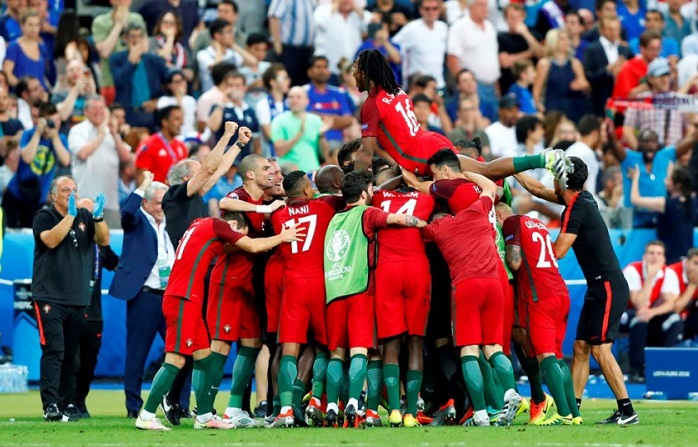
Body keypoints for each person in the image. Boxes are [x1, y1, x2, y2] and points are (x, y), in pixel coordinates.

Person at [134, 212, 301, 431]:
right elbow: (251, 246)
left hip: (188, 298)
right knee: (175, 360)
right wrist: (282, 237)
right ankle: (146, 414)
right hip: (182, 298)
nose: (235, 238)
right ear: (232, 224)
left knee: (204, 358)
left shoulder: (197, 223)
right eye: (237, 233)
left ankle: (204, 416)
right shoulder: (218, 226)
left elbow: (225, 245)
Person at [514, 156, 639, 425]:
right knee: (581, 347)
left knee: (600, 351)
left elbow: (558, 251)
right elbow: (537, 190)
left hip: (607, 285)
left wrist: (530, 240)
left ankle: (627, 410)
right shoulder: (581, 199)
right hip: (600, 285)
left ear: (562, 181)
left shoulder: (576, 208)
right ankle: (573, 410)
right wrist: (514, 171)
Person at [350, 49, 571, 179]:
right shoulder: (396, 89)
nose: (352, 74)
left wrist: (352, 184)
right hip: (430, 140)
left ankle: (545, 158)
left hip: (420, 155)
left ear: (365, 73)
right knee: (481, 171)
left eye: (355, 69)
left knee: (485, 171)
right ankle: (543, 159)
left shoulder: (371, 104)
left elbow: (365, 152)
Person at [322, 170, 427, 429]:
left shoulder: (334, 219)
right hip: (360, 290)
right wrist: (421, 223)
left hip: (334, 291)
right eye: (370, 189)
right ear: (363, 193)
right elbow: (397, 218)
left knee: (337, 354)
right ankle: (356, 403)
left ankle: (333, 404)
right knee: (361, 350)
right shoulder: (367, 213)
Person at [422, 171, 522, 427]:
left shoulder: (436, 230)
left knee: (469, 350)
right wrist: (464, 172)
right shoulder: (476, 211)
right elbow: (490, 187)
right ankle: (510, 393)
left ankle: (480, 414)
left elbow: (414, 223)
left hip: (466, 287)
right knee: (494, 348)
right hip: (494, 284)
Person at [267, 170, 344, 427]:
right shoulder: (324, 208)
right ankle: (313, 401)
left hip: (293, 285)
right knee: (325, 346)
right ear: (307, 191)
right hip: (320, 284)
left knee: (289, 348)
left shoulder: (278, 215)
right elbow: (340, 196)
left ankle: (286, 410)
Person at [32, 176, 109, 421]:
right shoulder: (44, 216)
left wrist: (97, 217)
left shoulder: (85, 217)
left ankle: (68, 403)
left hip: (78, 299)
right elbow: (51, 240)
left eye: (75, 190)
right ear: (53, 195)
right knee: (54, 350)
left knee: (72, 355)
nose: (71, 194)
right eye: (66, 190)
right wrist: (70, 217)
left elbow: (104, 240)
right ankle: (50, 404)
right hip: (50, 297)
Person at [498, 203, 581, 425]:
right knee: (558, 357)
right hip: (561, 293)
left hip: (539, 298)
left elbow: (514, 263)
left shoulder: (511, 222)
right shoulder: (540, 225)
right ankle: (575, 414)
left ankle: (562, 414)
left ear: (498, 215)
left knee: (546, 358)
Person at [371, 166, 436, 428]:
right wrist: (414, 177)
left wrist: (400, 173)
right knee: (415, 342)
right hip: (417, 269)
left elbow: (377, 189)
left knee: (391, 343)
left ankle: (395, 410)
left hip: (387, 270)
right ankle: (411, 412)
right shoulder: (426, 199)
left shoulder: (379, 199)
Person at [109, 172, 173, 419]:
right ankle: (134, 406)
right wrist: (144, 184)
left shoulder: (172, 222)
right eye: (158, 202)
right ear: (145, 202)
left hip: (171, 297)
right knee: (137, 355)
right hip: (144, 297)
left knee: (180, 353)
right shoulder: (136, 220)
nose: (162, 207)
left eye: (164, 203)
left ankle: (175, 403)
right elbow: (126, 212)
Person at [72, 198, 119, 420]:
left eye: (93, 214)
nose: (88, 218)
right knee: (71, 359)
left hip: (94, 312)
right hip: (71, 309)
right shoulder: (68, 241)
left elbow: (117, 264)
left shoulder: (100, 246)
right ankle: (66, 400)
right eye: (84, 212)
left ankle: (80, 400)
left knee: (89, 361)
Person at [622, 241, 682, 382]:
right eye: (651, 253)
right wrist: (649, 277)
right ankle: (637, 369)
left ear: (664, 259)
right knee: (640, 320)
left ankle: (663, 366)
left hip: (651, 313)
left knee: (674, 320)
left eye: (659, 254)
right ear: (644, 256)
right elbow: (639, 303)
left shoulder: (668, 273)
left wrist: (653, 312)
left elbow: (671, 303)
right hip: (628, 313)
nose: (655, 257)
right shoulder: (633, 270)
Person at [2, 102, 70, 228]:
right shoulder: (29, 134)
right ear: (42, 120)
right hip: (16, 193)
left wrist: (54, 138)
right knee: (9, 233)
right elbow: (27, 158)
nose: (55, 124)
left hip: (38, 197)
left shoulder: (61, 138)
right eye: (51, 120)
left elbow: (65, 160)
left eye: (58, 120)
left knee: (31, 234)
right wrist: (38, 134)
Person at [69, 95, 132, 228]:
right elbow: (82, 154)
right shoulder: (78, 130)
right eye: (94, 108)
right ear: (86, 111)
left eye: (101, 108)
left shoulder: (111, 131)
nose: (98, 112)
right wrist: (101, 135)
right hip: (86, 199)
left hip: (110, 201)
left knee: (113, 240)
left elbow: (126, 158)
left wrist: (114, 134)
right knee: (85, 240)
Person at [630, 166, 697, 264]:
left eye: (669, 179)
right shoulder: (692, 201)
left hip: (670, 256)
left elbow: (635, 200)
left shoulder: (666, 204)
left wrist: (635, 177)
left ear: (677, 185)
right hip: (686, 255)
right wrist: (671, 169)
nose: (665, 181)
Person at [109, 23, 168, 130]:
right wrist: (131, 61)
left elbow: (171, 80)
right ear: (125, 38)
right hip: (128, 114)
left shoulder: (154, 60)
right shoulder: (116, 59)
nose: (136, 40)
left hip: (151, 114)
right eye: (133, 36)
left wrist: (159, 101)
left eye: (140, 36)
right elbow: (119, 82)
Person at [533, 29, 590, 124]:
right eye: (562, 39)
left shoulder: (575, 63)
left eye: (567, 38)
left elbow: (585, 86)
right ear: (553, 41)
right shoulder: (544, 64)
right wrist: (538, 106)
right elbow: (537, 89)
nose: (566, 41)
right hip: (552, 107)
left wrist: (583, 85)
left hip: (574, 107)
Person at [270, 86, 330, 172]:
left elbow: (325, 155)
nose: (294, 100)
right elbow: (279, 151)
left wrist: (321, 135)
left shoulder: (315, 120)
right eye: (291, 97)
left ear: (307, 101)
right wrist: (299, 135)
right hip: (289, 172)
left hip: (313, 170)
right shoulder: (279, 120)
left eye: (298, 97)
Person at [582, 16, 632, 117]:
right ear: (601, 30)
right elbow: (589, 77)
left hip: (622, 102)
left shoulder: (625, 49)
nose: (614, 32)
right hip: (600, 101)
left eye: (617, 29)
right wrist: (608, 70)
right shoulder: (592, 49)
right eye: (610, 29)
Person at [134, 106, 187, 184]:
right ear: (165, 122)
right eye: (177, 119)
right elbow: (141, 180)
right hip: (156, 195)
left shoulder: (181, 146)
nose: (181, 123)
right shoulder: (148, 145)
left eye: (181, 119)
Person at [3, 9, 50, 90]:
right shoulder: (14, 47)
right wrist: (25, 89)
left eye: (37, 25)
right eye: (30, 25)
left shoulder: (42, 47)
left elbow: (43, 74)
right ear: (22, 25)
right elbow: (7, 74)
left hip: (40, 94)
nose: (34, 29)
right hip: (22, 95)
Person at [671, 248, 698, 341]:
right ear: (686, 262)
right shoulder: (672, 273)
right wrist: (693, 284)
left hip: (690, 314)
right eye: (696, 263)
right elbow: (675, 309)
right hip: (668, 316)